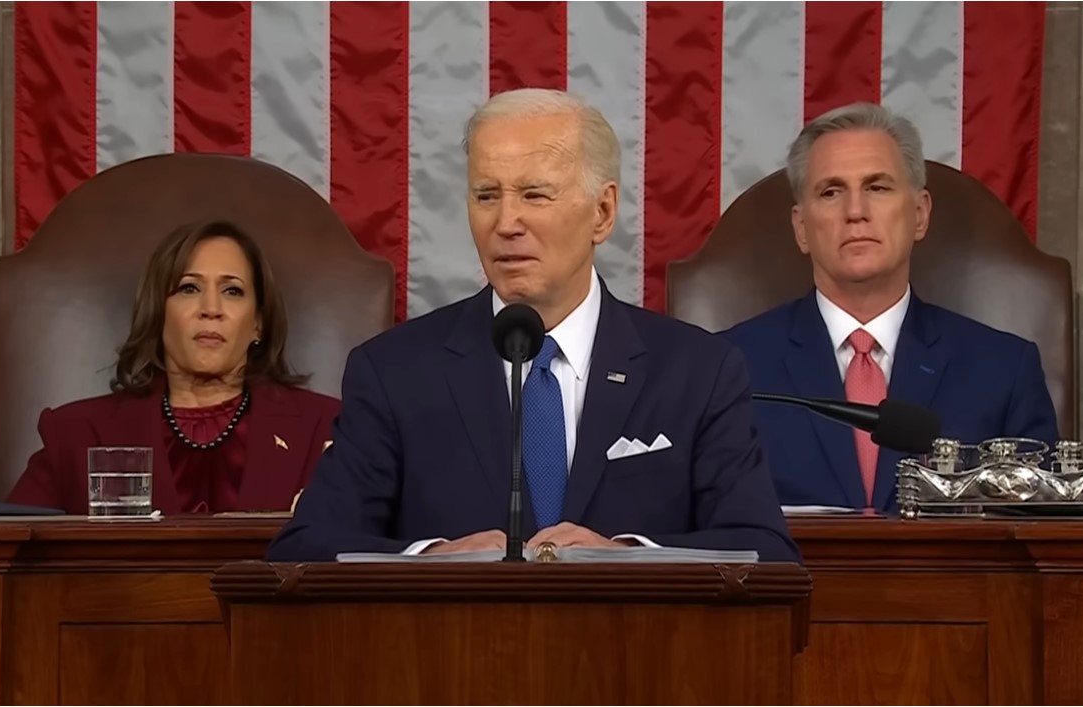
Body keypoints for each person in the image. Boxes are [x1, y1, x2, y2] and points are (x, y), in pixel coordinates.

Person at [267, 88, 799, 563]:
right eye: (486, 196)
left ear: (603, 212)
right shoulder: (395, 372)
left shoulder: (697, 371)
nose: (506, 223)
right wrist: (432, 557)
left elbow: (765, 550)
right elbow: (306, 545)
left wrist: (624, 555)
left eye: (534, 195)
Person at [720, 102, 1059, 513]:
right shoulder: (727, 369)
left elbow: (1040, 532)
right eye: (831, 192)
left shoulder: (1004, 369)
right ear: (801, 228)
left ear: (919, 215)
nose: (856, 212)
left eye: (877, 188)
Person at [6, 219, 341, 515]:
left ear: (258, 324)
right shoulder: (76, 435)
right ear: (159, 313)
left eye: (233, 291)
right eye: (189, 288)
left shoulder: (328, 429)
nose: (211, 308)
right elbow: (10, 556)